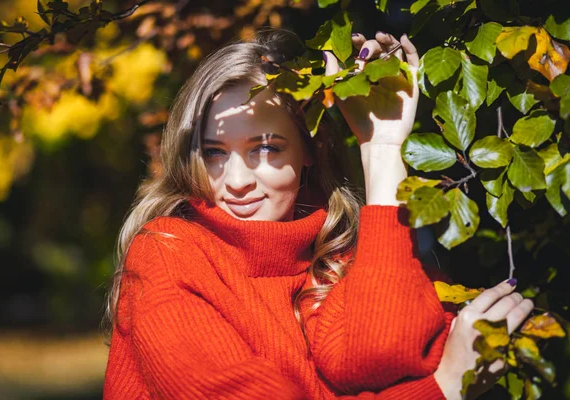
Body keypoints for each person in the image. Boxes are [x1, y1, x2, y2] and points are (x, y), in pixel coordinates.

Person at [102, 29, 534, 399]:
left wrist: (381, 150)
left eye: (265, 148)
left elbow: (385, 353)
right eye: (214, 153)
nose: (236, 180)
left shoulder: (338, 260)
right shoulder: (168, 254)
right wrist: (444, 386)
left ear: (311, 149)